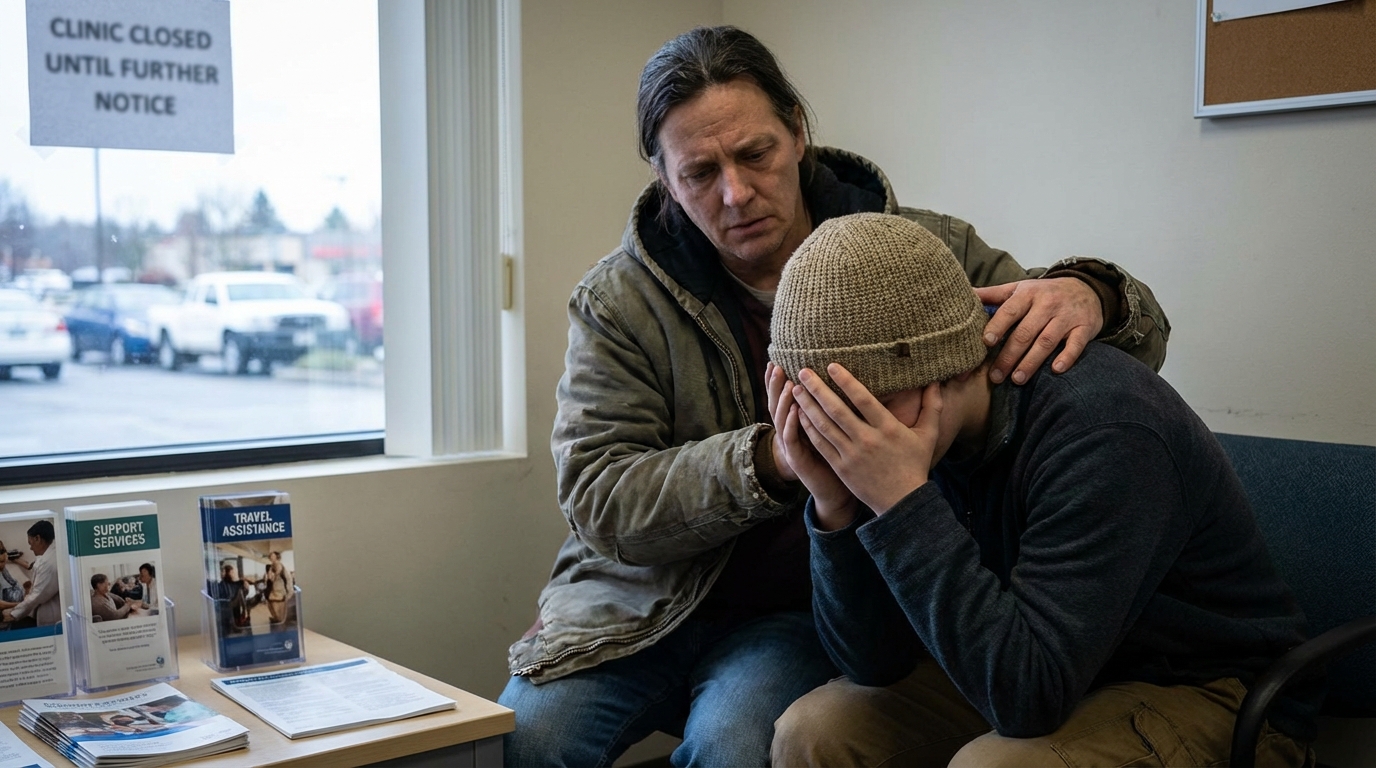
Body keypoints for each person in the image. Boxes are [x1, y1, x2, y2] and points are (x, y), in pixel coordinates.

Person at [499, 26, 1172, 767]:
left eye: (756, 154)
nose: (736, 192)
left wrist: (1095, 290)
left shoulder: (914, 250)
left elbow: (1084, 365)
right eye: (698, 172)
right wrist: (774, 460)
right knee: (526, 741)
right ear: (663, 177)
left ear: (797, 132)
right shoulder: (618, 301)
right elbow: (599, 497)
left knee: (739, 746)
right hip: (632, 605)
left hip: (805, 615)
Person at [763, 213, 1315, 767]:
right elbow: (874, 665)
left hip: (1207, 688)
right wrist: (834, 509)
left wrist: (904, 504)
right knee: (814, 733)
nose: (842, 437)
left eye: (856, 408)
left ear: (943, 371)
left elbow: (1028, 699)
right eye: (817, 412)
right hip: (1039, 659)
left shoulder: (1105, 428)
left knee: (996, 767)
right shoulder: (911, 433)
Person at [4, 520, 61, 628]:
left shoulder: (48, 562)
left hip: (50, 616)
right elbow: (31, 566)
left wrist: (13, 613)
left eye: (30, 543)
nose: (30, 548)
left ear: (37, 538)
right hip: (32, 608)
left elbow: (37, 595)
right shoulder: (48, 556)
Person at [263, 551, 293, 625]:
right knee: (273, 605)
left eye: (273, 555)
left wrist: (270, 576)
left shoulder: (277, 564)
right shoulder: (272, 565)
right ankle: (277, 619)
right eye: (270, 555)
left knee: (278, 606)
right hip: (275, 589)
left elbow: (275, 575)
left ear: (277, 556)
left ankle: (279, 620)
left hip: (278, 589)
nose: (271, 557)